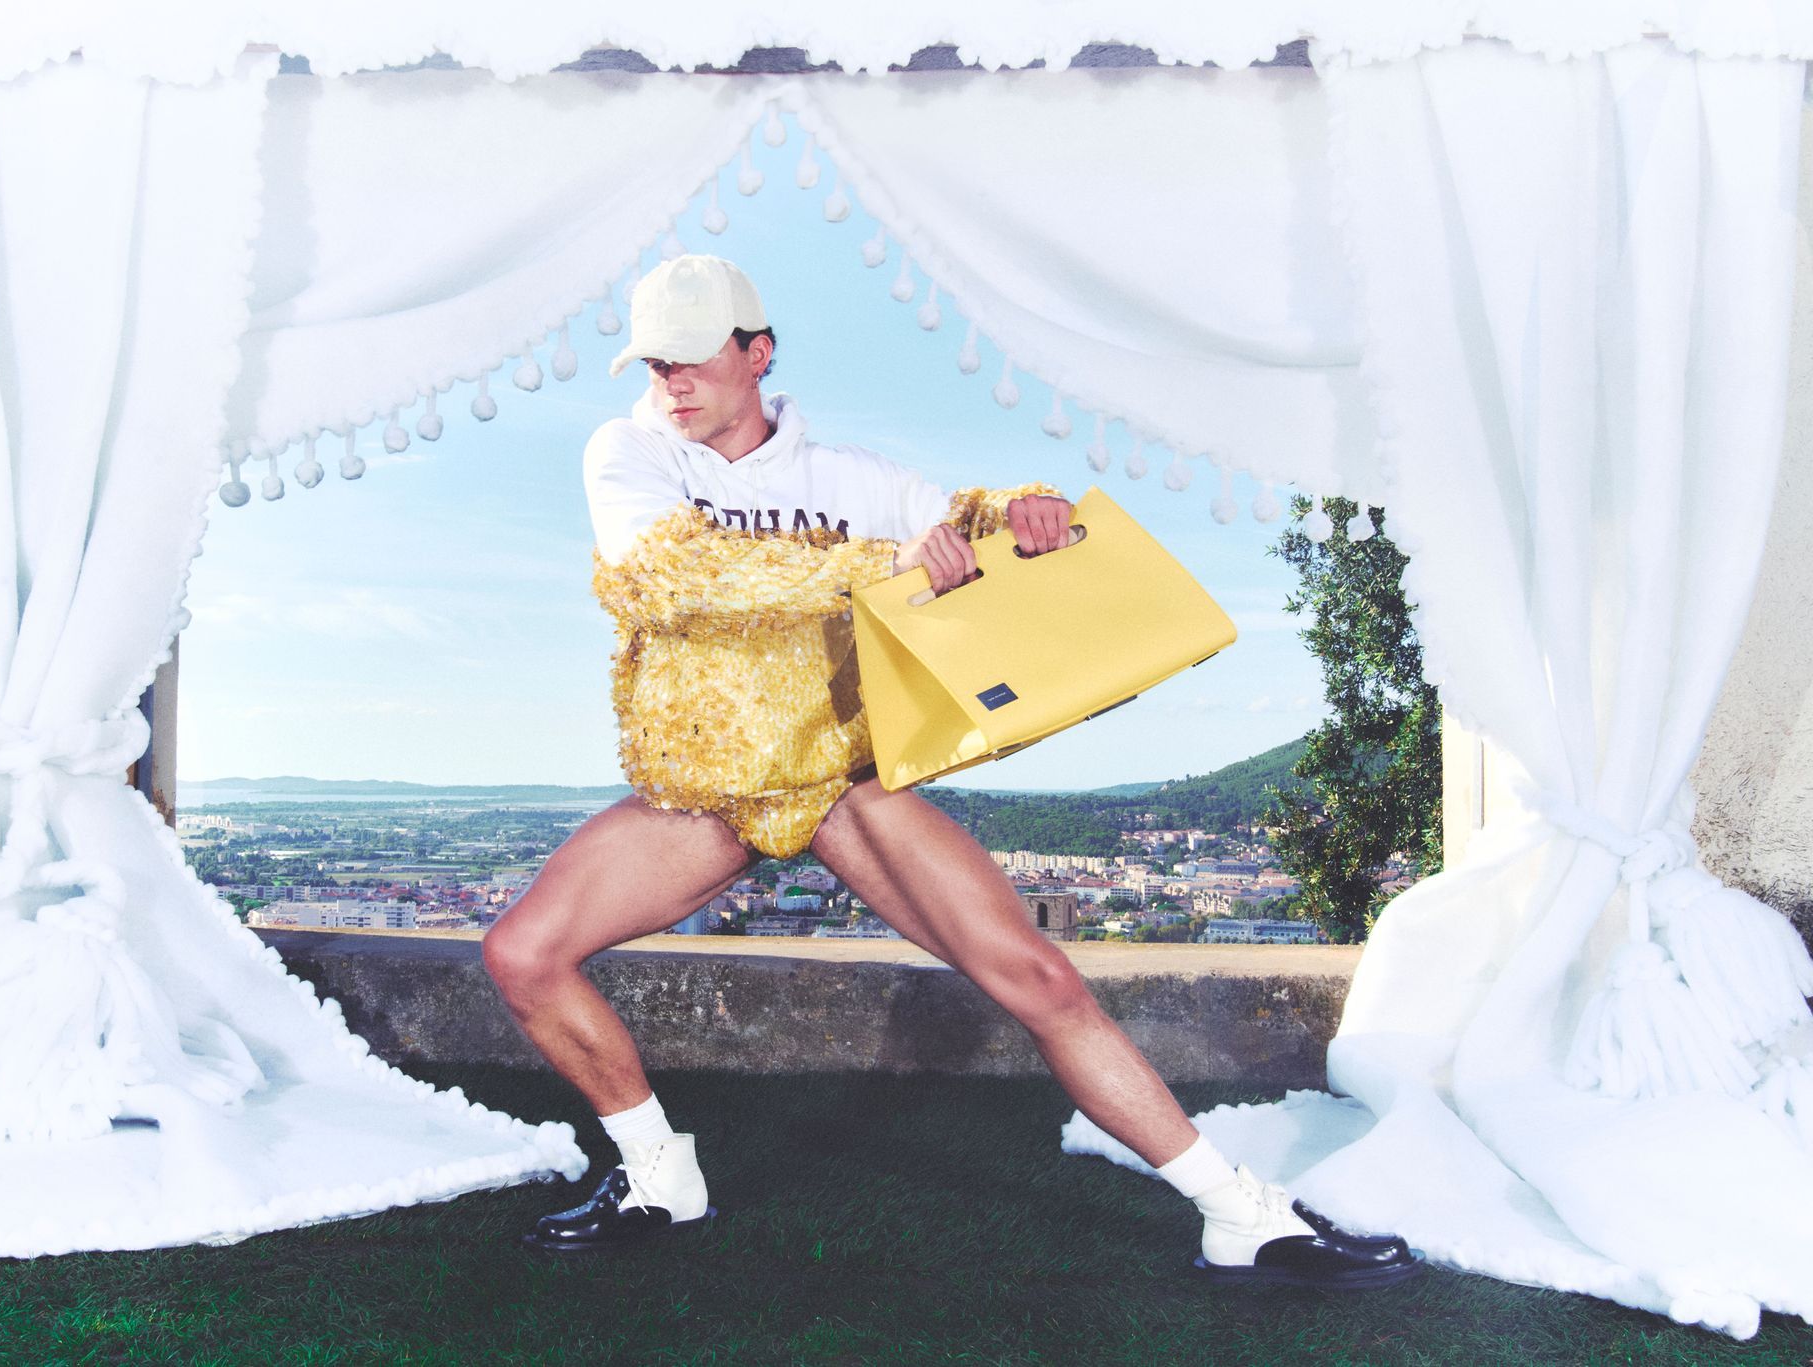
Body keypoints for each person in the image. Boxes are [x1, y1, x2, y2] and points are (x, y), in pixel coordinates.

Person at [482, 254, 1419, 1287]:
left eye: (694, 359)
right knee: (524, 952)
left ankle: (1240, 1212)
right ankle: (661, 1172)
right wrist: (867, 562)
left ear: (758, 352)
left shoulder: (858, 482)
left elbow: (959, 523)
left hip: (845, 780)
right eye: (655, 362)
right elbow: (668, 577)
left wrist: (1028, 508)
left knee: (1040, 976)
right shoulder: (630, 451)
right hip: (711, 790)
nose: (672, 383)